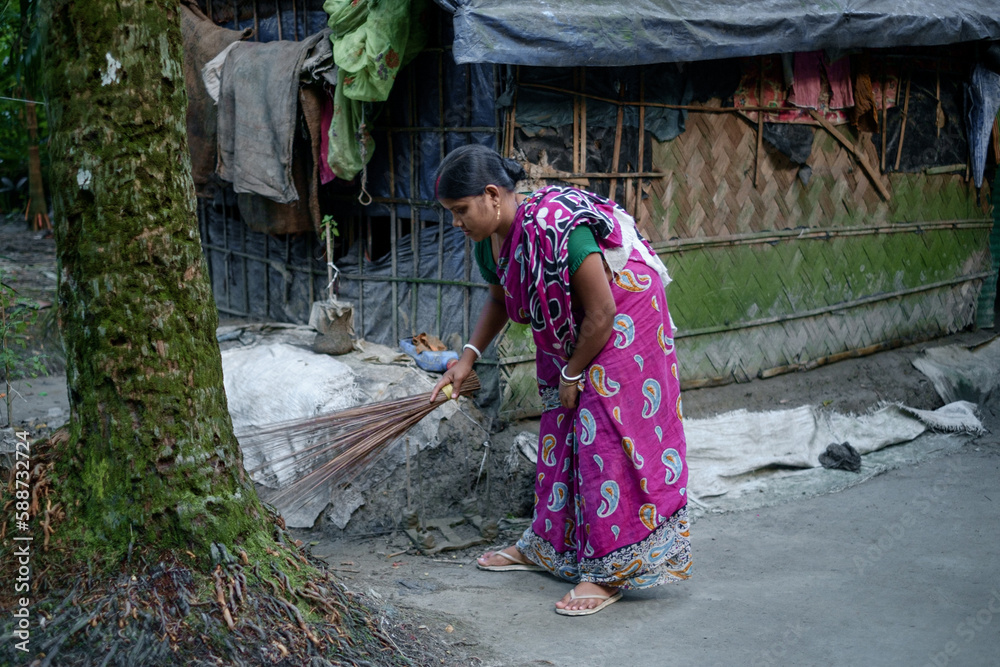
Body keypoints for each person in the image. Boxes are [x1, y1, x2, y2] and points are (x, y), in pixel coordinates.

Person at [430, 144, 691, 616]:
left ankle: (609, 570)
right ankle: (549, 544)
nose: (456, 222)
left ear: (492, 195)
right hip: (570, 324)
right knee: (560, 430)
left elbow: (603, 310)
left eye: (460, 210)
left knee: (603, 434)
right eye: (451, 213)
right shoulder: (490, 239)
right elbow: (500, 300)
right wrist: (468, 357)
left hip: (622, 314)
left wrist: (574, 372)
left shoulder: (557, 231)